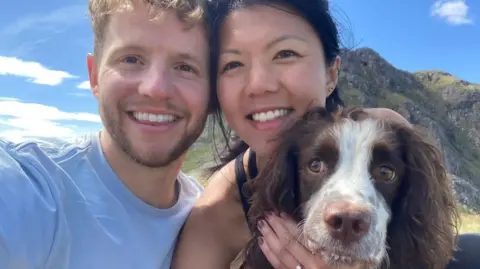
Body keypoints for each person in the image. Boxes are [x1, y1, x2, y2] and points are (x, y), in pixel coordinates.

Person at [172, 0, 480, 268]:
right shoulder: (214, 216)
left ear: (331, 73)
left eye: (285, 53)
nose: (259, 84)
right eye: (234, 63)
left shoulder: (389, 133)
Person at [0, 0, 210, 268]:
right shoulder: (33, 186)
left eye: (185, 67)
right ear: (94, 76)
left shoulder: (206, 215)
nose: (156, 89)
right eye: (131, 59)